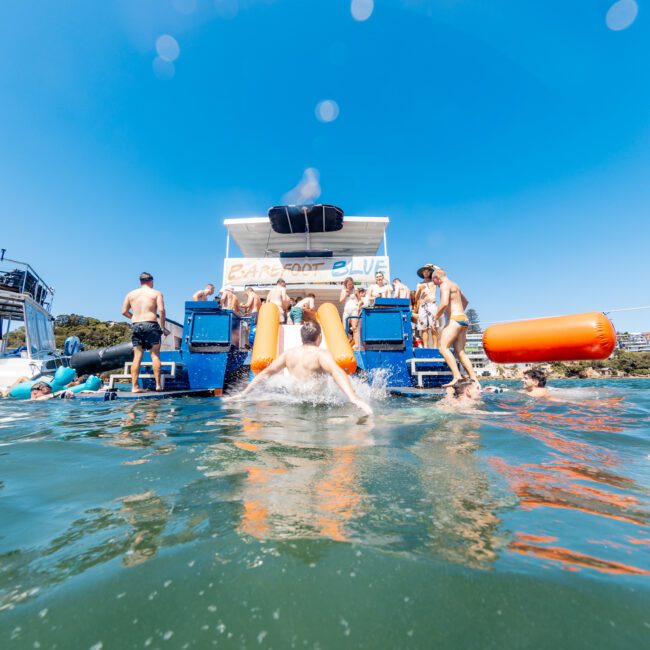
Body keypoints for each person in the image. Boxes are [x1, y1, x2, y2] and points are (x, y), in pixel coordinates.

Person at [228, 321, 373, 416]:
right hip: (318, 407)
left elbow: (265, 373)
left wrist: (244, 393)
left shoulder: (288, 354)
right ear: (320, 337)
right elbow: (337, 372)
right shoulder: (321, 354)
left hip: (295, 406)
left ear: (301, 337)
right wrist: (353, 398)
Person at [121, 272, 169, 393]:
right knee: (155, 356)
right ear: (151, 281)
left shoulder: (130, 294)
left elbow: (124, 312)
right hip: (151, 324)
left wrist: (134, 317)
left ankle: (134, 387)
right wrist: (162, 327)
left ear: (140, 282)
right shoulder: (156, 293)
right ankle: (158, 385)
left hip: (136, 325)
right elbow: (162, 310)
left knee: (137, 357)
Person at [432, 268, 478, 387]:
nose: (435, 285)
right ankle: (474, 380)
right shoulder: (455, 285)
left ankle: (457, 376)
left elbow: (444, 303)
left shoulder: (444, 285)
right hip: (463, 318)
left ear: (437, 278)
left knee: (443, 348)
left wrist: (435, 318)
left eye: (434, 281)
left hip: (455, 319)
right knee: (460, 352)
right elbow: (466, 301)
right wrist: (458, 310)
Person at [414, 263, 440, 349]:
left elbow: (441, 273)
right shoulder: (419, 283)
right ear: (422, 273)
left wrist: (433, 266)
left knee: (434, 326)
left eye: (427, 271)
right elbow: (416, 297)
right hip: (422, 306)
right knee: (424, 328)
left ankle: (435, 347)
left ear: (430, 272)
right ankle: (425, 347)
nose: (425, 272)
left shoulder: (434, 281)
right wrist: (419, 290)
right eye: (424, 271)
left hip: (432, 304)